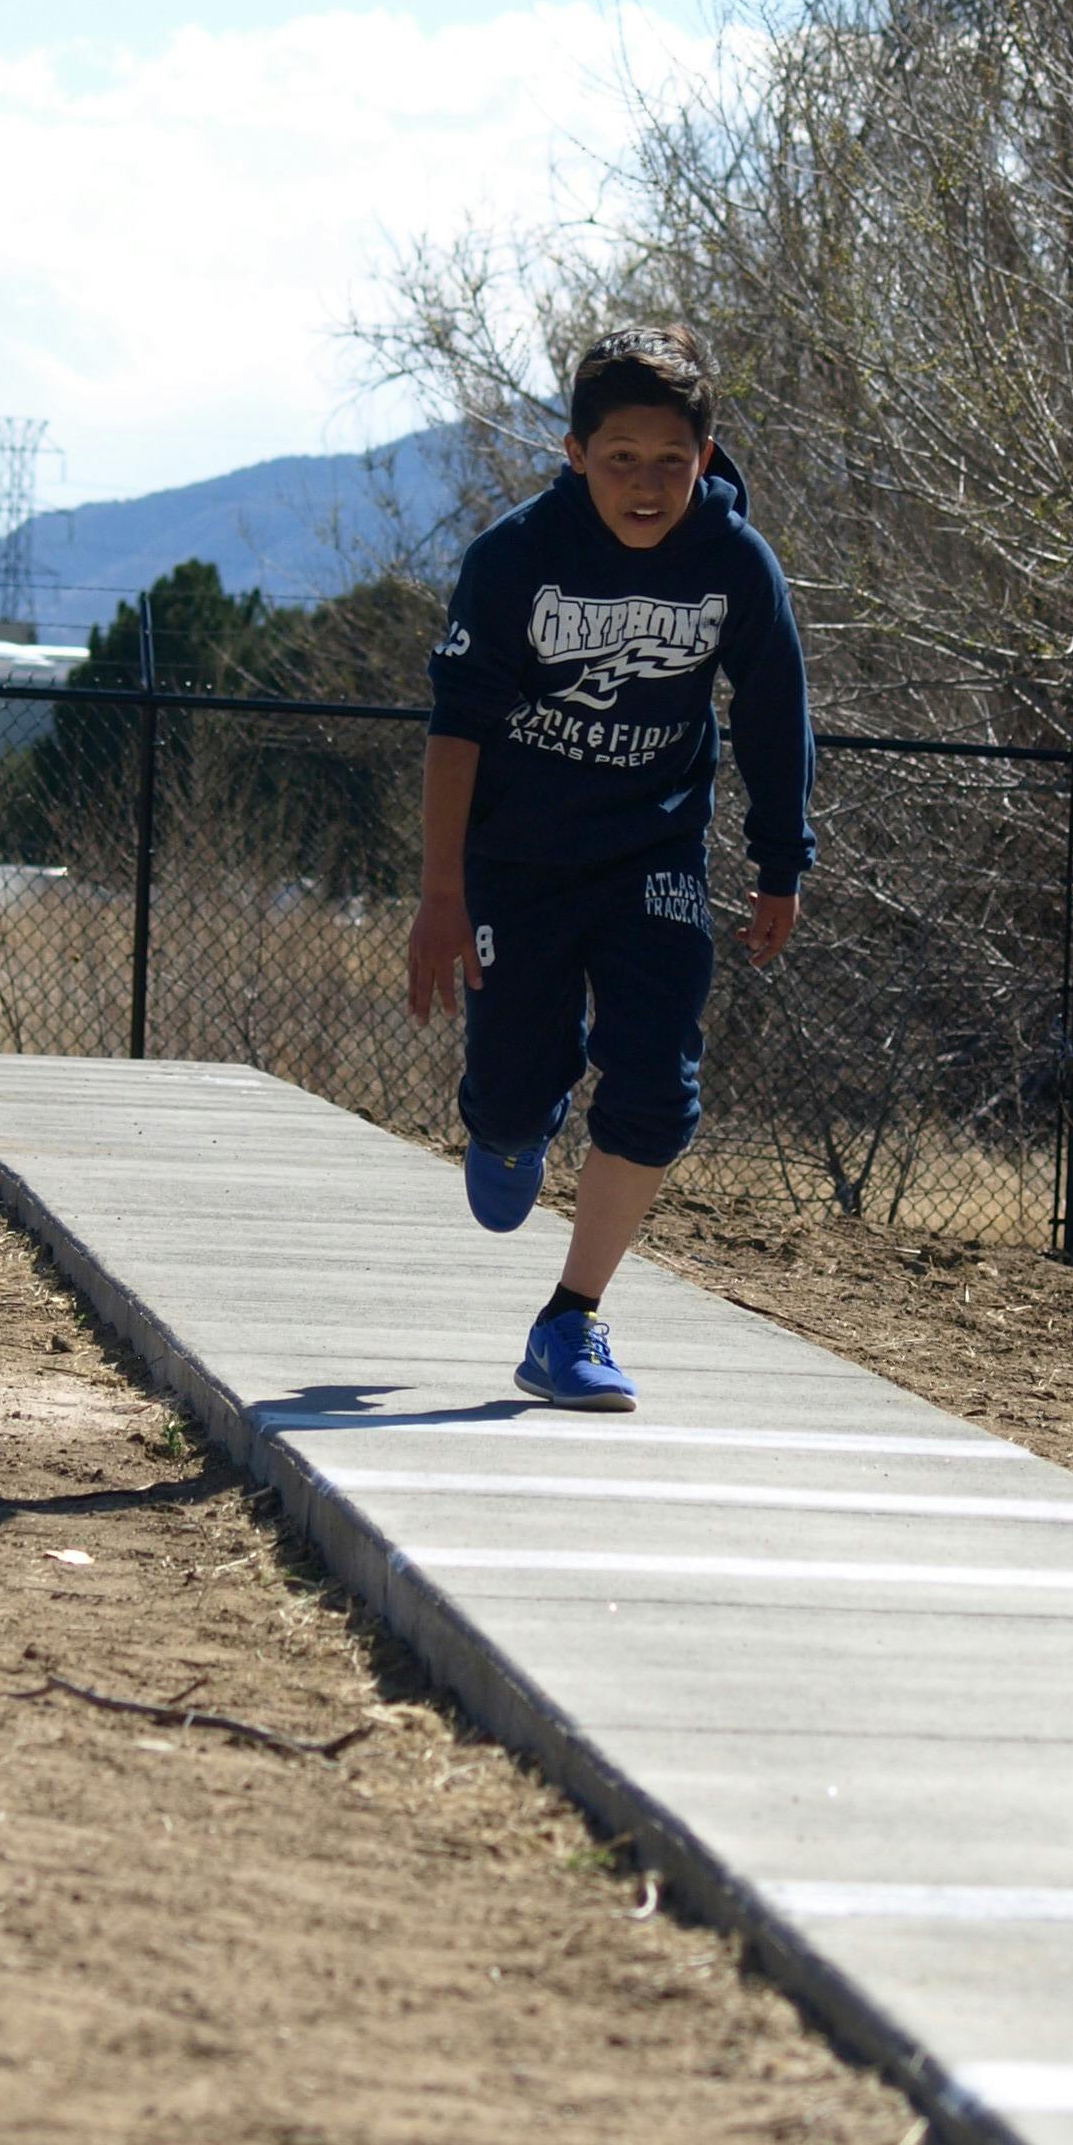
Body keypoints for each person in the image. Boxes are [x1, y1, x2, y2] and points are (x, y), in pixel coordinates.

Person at [406, 323, 813, 1411]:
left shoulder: (733, 563)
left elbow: (775, 713)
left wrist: (782, 860)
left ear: (707, 453)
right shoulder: (515, 560)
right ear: (577, 453)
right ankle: (511, 1116)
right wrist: (441, 894)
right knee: (506, 1107)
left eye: (671, 463)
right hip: (518, 860)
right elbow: (456, 730)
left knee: (657, 1083)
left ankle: (570, 1319)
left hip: (653, 849)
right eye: (621, 459)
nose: (646, 485)